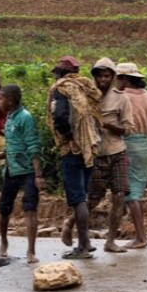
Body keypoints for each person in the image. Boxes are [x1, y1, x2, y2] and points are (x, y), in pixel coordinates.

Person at [46, 56, 101, 260]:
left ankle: (84, 245)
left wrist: (69, 139)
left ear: (60, 73)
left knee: (77, 198)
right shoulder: (85, 87)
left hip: (73, 150)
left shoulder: (61, 89)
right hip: (89, 146)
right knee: (83, 196)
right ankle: (85, 243)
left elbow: (59, 117)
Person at [78, 57, 133, 254]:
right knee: (92, 199)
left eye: (107, 75)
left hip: (117, 152)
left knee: (119, 196)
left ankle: (110, 240)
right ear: (94, 76)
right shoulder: (86, 97)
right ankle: (69, 224)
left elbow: (127, 129)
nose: (103, 79)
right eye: (100, 75)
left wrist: (108, 124)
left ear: (113, 77)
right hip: (96, 155)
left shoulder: (121, 98)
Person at [0, 85, 44, 264]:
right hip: (11, 170)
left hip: (27, 171)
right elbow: (12, 146)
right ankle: (3, 243)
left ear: (10, 100)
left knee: (30, 209)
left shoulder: (25, 118)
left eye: (1, 98)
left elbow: (34, 146)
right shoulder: (9, 118)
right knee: (4, 209)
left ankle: (31, 251)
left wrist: (38, 175)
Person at [115, 62, 147, 249]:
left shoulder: (120, 98)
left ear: (125, 79)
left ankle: (140, 236)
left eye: (118, 77)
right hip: (144, 146)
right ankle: (135, 232)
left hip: (123, 145)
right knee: (134, 190)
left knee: (131, 194)